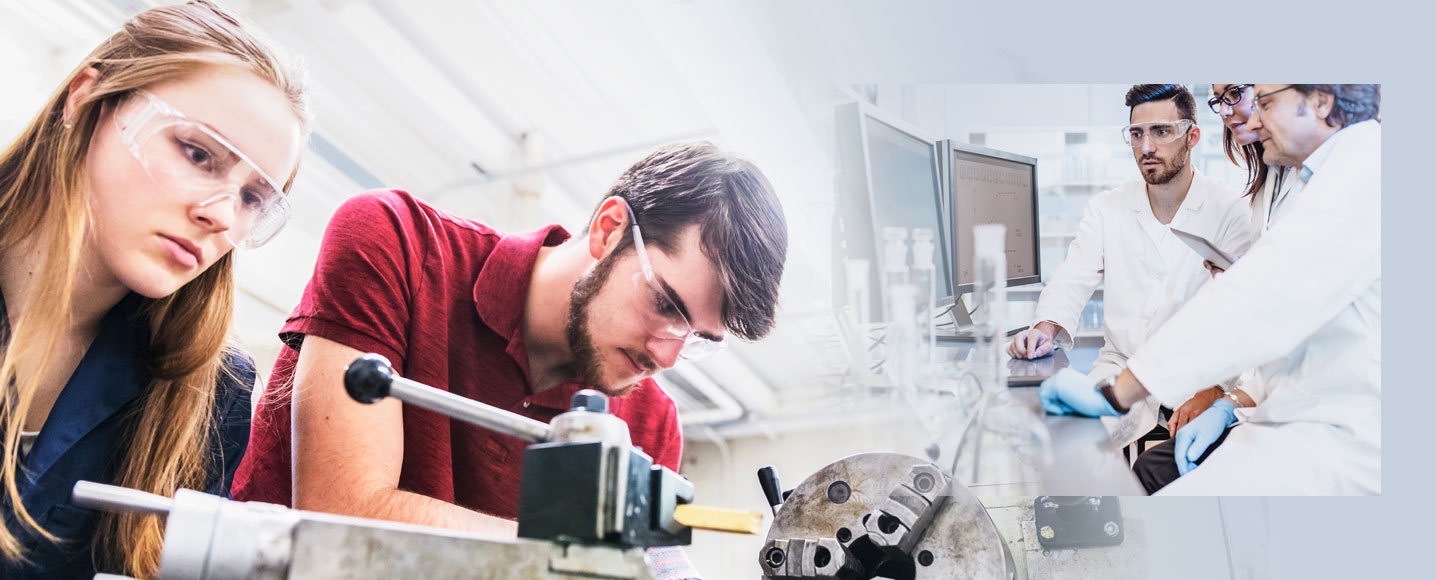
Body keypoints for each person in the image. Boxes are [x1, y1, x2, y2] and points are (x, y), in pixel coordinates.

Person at [233, 144, 787, 541]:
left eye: (698, 341)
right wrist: (574, 559)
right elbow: (342, 518)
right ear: (609, 230)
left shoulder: (650, 424)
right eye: (666, 305)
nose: (665, 357)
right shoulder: (396, 242)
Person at [0, 2, 311, 578]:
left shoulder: (211, 395)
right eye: (198, 153)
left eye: (252, 199)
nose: (221, 215)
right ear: (87, 101)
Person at [1040, 85, 1381, 495]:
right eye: (1136, 134)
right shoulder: (1321, 175)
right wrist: (1233, 402)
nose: (1252, 120)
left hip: (1338, 433)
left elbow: (1258, 303)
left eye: (1265, 103)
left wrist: (1124, 394)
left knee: (1148, 523)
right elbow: (1072, 276)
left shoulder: (1363, 172)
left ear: (1322, 101)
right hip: (1274, 407)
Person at [1006, 84, 1253, 448]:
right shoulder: (1107, 207)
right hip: (1121, 368)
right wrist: (1044, 328)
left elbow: (1245, 318)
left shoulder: (1232, 210)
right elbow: (1072, 277)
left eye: (1161, 132)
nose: (1147, 147)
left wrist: (1216, 388)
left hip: (1198, 377)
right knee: (1061, 445)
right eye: (1137, 134)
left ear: (1192, 136)